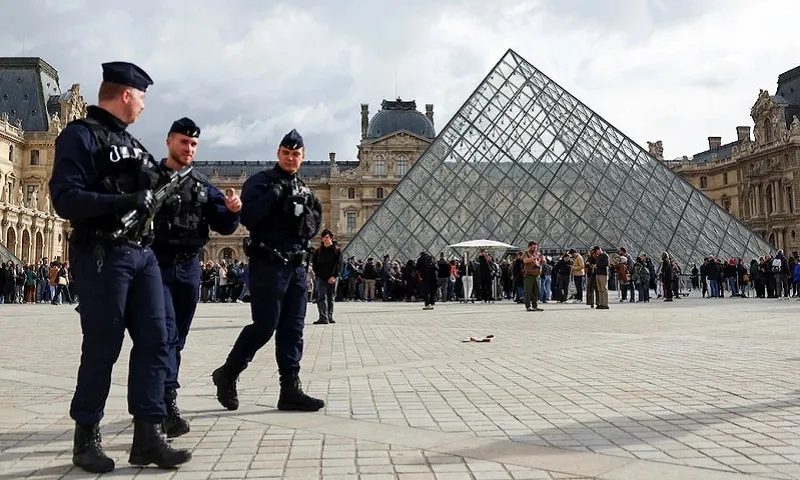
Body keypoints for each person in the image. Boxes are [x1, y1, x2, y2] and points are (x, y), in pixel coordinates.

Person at [48, 62, 191, 473]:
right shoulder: (80, 136)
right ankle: (86, 437)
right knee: (103, 345)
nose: (145, 106)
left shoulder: (132, 143)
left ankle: (148, 435)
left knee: (157, 340)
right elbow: (65, 199)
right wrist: (120, 204)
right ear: (126, 94)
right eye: (142, 97)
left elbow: (154, 188)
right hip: (101, 253)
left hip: (142, 255)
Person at [212, 129, 324, 412]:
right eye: (286, 153)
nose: (290, 158)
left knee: (293, 329)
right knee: (264, 326)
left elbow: (313, 227)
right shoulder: (260, 182)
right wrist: (275, 195)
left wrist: (305, 208)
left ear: (303, 156)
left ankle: (290, 389)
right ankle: (228, 373)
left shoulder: (306, 191)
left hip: (297, 267)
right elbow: (247, 217)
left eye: (295, 154)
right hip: (269, 263)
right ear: (278, 153)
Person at [151, 117, 241, 437]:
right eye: (183, 142)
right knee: (164, 335)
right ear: (169, 141)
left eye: (193, 144)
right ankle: (165, 403)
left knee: (178, 337)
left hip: (189, 267)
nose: (188, 148)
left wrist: (232, 209)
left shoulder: (202, 185)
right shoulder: (149, 178)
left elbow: (226, 226)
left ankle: (163, 400)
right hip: (155, 266)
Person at [311, 229, 341, 325]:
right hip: (321, 277)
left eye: (327, 237)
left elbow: (339, 264)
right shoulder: (318, 251)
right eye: (323, 237)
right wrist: (318, 274)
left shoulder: (336, 250)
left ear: (331, 238)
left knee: (330, 297)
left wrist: (334, 276)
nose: (325, 239)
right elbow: (314, 263)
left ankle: (329, 316)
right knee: (321, 297)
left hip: (332, 278)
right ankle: (323, 317)